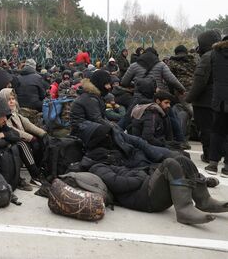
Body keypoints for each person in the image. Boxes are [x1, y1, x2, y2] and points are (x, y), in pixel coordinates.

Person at [79, 121, 227, 225]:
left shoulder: (114, 153)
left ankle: (204, 200)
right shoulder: (96, 165)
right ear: (97, 141)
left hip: (147, 188)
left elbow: (136, 155)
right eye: (106, 136)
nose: (110, 138)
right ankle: (184, 210)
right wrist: (141, 174)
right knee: (170, 164)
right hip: (146, 200)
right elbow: (119, 184)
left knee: (181, 159)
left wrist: (144, 171)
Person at [186, 30, 222, 163]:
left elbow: (200, 81)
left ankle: (208, 155)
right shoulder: (222, 55)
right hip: (220, 99)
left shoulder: (208, 57)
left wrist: (189, 97)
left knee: (206, 129)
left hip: (204, 101)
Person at [0, 88, 47, 186]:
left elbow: (28, 124)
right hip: (8, 140)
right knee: (23, 144)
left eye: (13, 99)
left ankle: (40, 167)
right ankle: (35, 175)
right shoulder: (2, 114)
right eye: (9, 100)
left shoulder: (15, 113)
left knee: (41, 138)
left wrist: (43, 134)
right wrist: (30, 137)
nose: (12, 101)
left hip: (17, 137)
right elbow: (11, 130)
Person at [70, 69, 114, 136]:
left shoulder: (95, 95)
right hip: (82, 132)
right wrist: (113, 127)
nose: (109, 87)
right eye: (107, 84)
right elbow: (96, 119)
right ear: (99, 84)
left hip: (87, 128)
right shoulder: (90, 98)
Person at [207, 35, 228, 176]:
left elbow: (206, 76)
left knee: (217, 131)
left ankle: (213, 163)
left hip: (219, 100)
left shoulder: (214, 54)